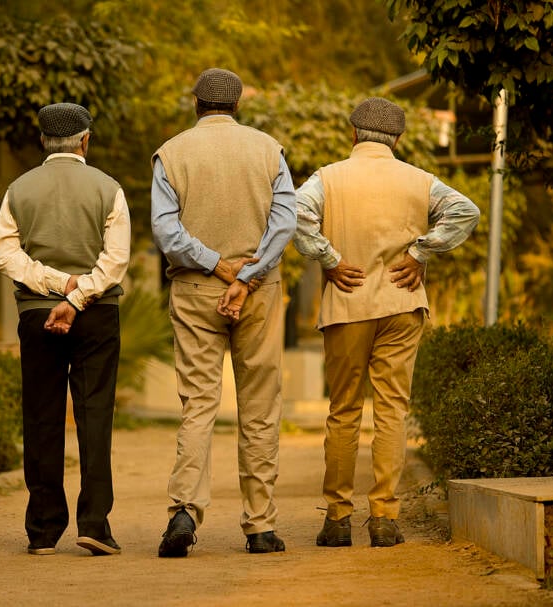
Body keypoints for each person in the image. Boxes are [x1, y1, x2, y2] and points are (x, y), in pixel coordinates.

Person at [293, 97, 480, 548]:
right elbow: (467, 211)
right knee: (392, 410)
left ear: (353, 133)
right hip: (402, 304)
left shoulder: (327, 178)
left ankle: (338, 518)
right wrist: (420, 252)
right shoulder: (421, 181)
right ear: (397, 139)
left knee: (343, 411)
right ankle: (383, 518)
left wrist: (329, 258)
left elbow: (293, 214)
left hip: (347, 304)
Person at [150, 68, 297, 557]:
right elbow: (284, 223)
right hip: (259, 292)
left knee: (198, 404)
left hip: (195, 288)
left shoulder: (171, 153)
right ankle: (260, 526)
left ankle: (184, 511)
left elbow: (166, 232)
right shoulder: (269, 150)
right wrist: (246, 276)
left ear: (197, 104)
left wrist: (216, 265)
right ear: (237, 105)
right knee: (260, 406)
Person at [0, 102, 131, 557]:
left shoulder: (18, 189)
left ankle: (43, 530)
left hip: (37, 313)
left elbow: (5, 256)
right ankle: (95, 525)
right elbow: (115, 262)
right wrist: (77, 296)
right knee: (95, 416)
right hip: (97, 315)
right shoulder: (109, 189)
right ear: (85, 140)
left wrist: (56, 286)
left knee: (41, 416)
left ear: (42, 141)